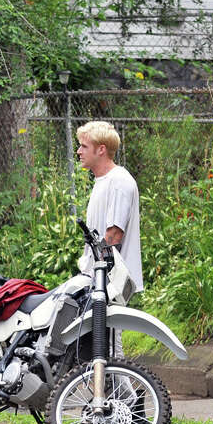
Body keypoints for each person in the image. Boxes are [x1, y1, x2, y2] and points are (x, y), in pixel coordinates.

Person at [76, 120, 143, 297]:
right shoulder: (104, 180)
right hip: (97, 280)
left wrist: (97, 282)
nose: (79, 151)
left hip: (110, 285)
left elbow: (113, 236)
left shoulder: (119, 181)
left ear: (101, 149)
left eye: (84, 146)